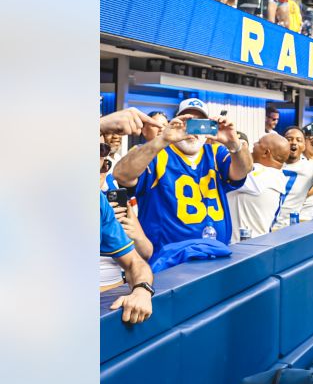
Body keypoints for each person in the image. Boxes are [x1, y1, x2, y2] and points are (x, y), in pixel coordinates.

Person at [111, 98, 252, 256]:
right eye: (187, 122)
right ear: (175, 123)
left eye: (199, 124)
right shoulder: (155, 154)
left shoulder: (215, 153)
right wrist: (163, 139)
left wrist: (235, 144)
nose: (192, 131)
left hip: (216, 254)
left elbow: (242, 171)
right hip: (168, 261)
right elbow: (121, 175)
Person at [101, 192, 155, 325]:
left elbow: (135, 262)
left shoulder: (100, 203)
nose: (101, 172)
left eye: (105, 169)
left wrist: (142, 290)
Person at [226, 132, 291, 241]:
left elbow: (231, 171)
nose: (254, 144)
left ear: (266, 153)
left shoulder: (264, 175)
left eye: (258, 143)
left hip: (247, 247)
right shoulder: (275, 175)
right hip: (253, 243)